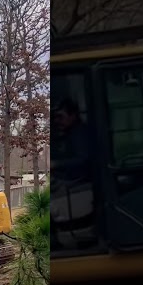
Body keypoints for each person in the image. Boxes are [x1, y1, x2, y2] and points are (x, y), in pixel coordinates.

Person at [54, 98, 95, 228]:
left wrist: (56, 164)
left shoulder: (80, 134)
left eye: (61, 117)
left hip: (79, 182)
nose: (57, 121)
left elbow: (83, 161)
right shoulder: (67, 134)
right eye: (55, 117)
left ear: (73, 115)